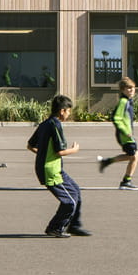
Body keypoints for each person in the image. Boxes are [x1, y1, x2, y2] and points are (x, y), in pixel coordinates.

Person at [28, 94, 90, 238]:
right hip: (51, 171)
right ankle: (55, 227)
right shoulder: (55, 125)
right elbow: (60, 151)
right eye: (68, 111)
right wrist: (74, 150)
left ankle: (74, 225)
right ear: (62, 111)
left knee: (75, 190)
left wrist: (43, 155)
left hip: (54, 168)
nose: (69, 114)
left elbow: (30, 145)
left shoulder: (44, 123)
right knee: (70, 201)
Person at [97, 76, 138, 190]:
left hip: (125, 134)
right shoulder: (123, 102)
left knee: (132, 156)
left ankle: (107, 162)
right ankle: (126, 181)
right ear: (122, 90)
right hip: (124, 135)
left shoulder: (127, 101)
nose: (131, 90)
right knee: (134, 156)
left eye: (133, 88)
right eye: (128, 88)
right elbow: (116, 118)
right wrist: (125, 131)